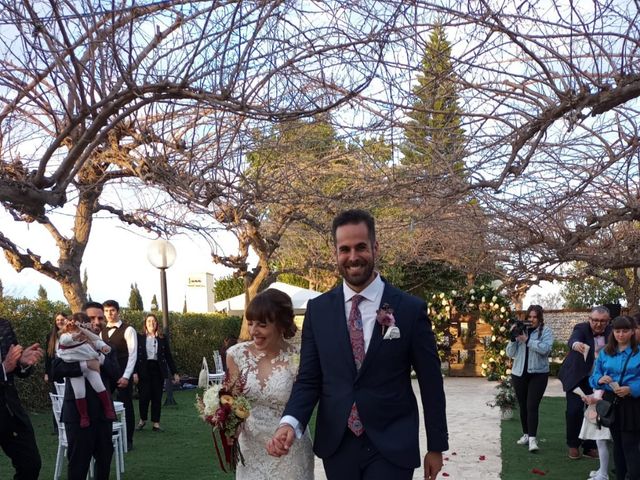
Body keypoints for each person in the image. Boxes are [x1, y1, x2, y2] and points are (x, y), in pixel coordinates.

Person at [268, 209, 448, 480]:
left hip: (392, 442)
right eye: (345, 249)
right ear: (335, 253)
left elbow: (431, 382)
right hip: (338, 444)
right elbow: (309, 379)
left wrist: (436, 446)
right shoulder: (318, 311)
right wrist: (290, 423)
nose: (353, 257)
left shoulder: (410, 310)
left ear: (375, 247)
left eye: (361, 247)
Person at [227, 288, 314, 479]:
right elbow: (232, 401)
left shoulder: (300, 358)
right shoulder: (237, 355)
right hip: (251, 451)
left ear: (281, 324)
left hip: (289, 449)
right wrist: (228, 424)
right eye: (250, 324)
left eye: (262, 325)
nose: (253, 331)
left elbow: (307, 398)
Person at [52, 303, 120, 480]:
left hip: (103, 415)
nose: (96, 322)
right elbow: (56, 369)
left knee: (104, 462)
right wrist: (85, 365)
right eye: (91, 318)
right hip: (76, 415)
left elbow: (116, 373)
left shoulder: (107, 345)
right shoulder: (67, 341)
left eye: (100, 318)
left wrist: (99, 357)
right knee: (78, 465)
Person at [590, 315, 640, 480]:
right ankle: (620, 476)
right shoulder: (605, 352)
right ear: (613, 332)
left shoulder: (638, 352)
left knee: (630, 445)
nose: (621, 334)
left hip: (632, 403)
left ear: (632, 332)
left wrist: (631, 389)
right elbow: (594, 376)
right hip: (612, 402)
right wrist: (599, 380)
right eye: (617, 331)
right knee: (617, 444)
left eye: (625, 331)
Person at [558, 306, 611, 459]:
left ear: (608, 321)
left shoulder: (612, 332)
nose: (598, 324)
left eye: (602, 321)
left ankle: (590, 446)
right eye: (595, 320)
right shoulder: (581, 328)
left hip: (598, 381)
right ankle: (573, 445)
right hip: (577, 378)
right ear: (589, 319)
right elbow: (573, 339)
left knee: (595, 412)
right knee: (574, 411)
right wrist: (576, 345)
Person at [506, 305, 554, 453]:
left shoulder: (546, 331)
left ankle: (533, 439)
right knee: (522, 405)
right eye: (530, 317)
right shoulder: (521, 330)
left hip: (538, 374)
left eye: (535, 317)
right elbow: (510, 353)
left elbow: (545, 350)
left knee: (532, 405)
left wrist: (527, 340)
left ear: (540, 318)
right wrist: (513, 338)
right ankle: (526, 434)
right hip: (519, 374)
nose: (532, 320)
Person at [0, 317, 43, 480]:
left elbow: (13, 366)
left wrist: (22, 362)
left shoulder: (4, 325)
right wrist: (3, 368)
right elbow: (6, 366)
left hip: (10, 411)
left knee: (30, 465)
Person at [56, 313, 116, 427]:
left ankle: (108, 408)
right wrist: (75, 336)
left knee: (99, 386)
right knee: (79, 392)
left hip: (91, 365)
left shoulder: (87, 335)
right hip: (77, 368)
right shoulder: (65, 336)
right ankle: (84, 415)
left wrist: (103, 347)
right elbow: (66, 340)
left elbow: (97, 341)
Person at [101, 299, 137, 450]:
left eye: (112, 310)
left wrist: (126, 376)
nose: (110, 314)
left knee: (126, 406)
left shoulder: (128, 330)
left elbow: (132, 354)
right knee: (106, 406)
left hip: (123, 374)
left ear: (118, 311)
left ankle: (128, 440)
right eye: (107, 311)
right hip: (107, 375)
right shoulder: (102, 331)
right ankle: (108, 438)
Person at [133, 313, 179, 432]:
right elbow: (134, 356)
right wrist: (134, 372)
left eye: (153, 321)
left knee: (156, 397)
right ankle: (142, 420)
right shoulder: (139, 337)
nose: (151, 323)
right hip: (144, 368)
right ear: (145, 324)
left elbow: (168, 356)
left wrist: (175, 372)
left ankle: (156, 423)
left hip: (158, 370)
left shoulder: (162, 338)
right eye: (149, 321)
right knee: (144, 397)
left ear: (156, 323)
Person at [579, 388, 611, 480]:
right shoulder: (598, 376)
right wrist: (589, 397)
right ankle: (602, 470)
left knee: (601, 441)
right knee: (600, 441)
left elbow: (608, 396)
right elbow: (598, 392)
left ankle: (604, 474)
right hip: (600, 410)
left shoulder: (608, 376)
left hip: (606, 412)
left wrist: (595, 400)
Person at [44, 311, 68, 433]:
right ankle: (56, 426)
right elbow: (48, 356)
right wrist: (46, 373)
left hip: (67, 368)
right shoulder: (51, 335)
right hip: (55, 369)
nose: (59, 321)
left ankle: (67, 423)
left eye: (62, 319)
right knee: (56, 398)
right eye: (57, 319)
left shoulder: (70, 333)